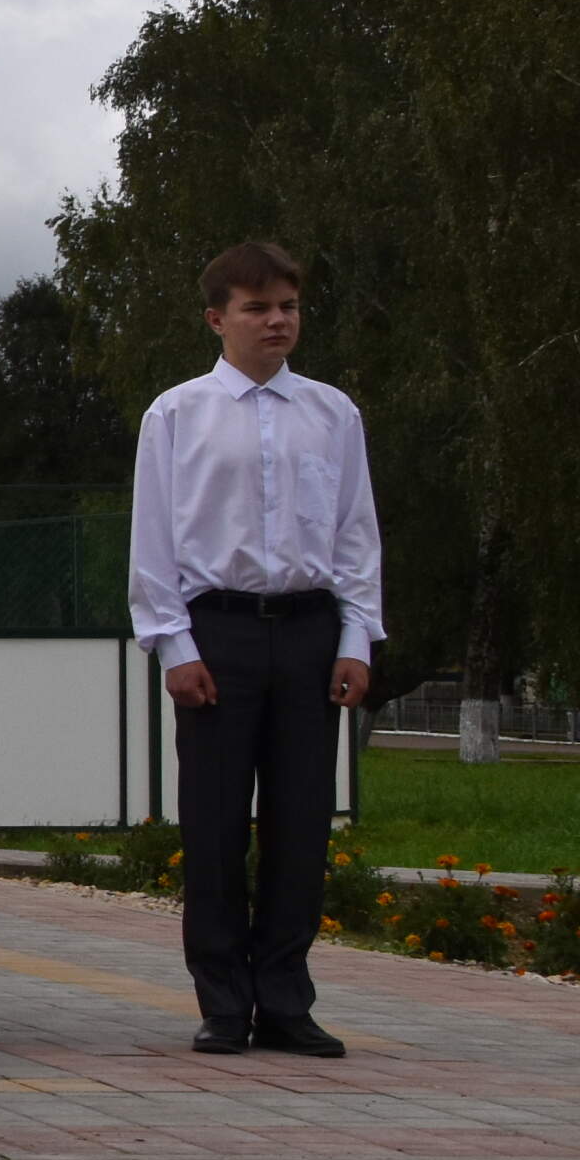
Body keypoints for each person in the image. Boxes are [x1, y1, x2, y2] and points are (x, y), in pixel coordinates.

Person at [129, 242, 381, 1058]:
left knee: (303, 823)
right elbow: (154, 543)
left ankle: (285, 998)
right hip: (219, 631)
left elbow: (355, 535)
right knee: (212, 825)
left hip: (309, 631)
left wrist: (354, 637)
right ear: (217, 317)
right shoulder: (177, 413)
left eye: (289, 307)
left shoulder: (333, 414)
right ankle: (221, 1000)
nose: (278, 321)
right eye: (258, 307)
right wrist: (174, 647)